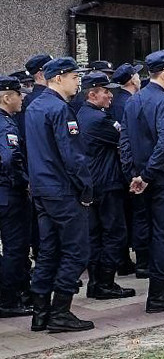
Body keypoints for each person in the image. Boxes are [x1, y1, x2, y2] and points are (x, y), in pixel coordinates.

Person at [25, 57, 94, 333]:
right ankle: (60, 312)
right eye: (74, 76)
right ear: (58, 78)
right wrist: (86, 189)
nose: (78, 81)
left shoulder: (35, 106)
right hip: (62, 190)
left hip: (42, 189)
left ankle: (40, 313)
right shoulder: (59, 109)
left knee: (49, 251)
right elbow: (73, 156)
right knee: (77, 251)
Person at [120, 51, 164, 313]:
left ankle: (162, 291)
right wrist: (147, 175)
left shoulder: (134, 100)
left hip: (144, 178)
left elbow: (125, 142)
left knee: (151, 233)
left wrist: (135, 174)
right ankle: (160, 294)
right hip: (163, 178)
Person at [77, 72, 136, 301]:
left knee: (96, 236)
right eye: (105, 91)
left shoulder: (84, 114)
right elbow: (123, 138)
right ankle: (105, 283)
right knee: (114, 234)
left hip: (94, 182)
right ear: (92, 94)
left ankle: (97, 282)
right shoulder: (98, 119)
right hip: (106, 183)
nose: (110, 95)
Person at [0, 76, 32, 318]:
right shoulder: (6, 124)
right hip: (8, 194)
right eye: (18, 94)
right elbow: (10, 159)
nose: (22, 98)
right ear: (6, 97)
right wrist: (23, 182)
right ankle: (9, 300)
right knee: (15, 249)